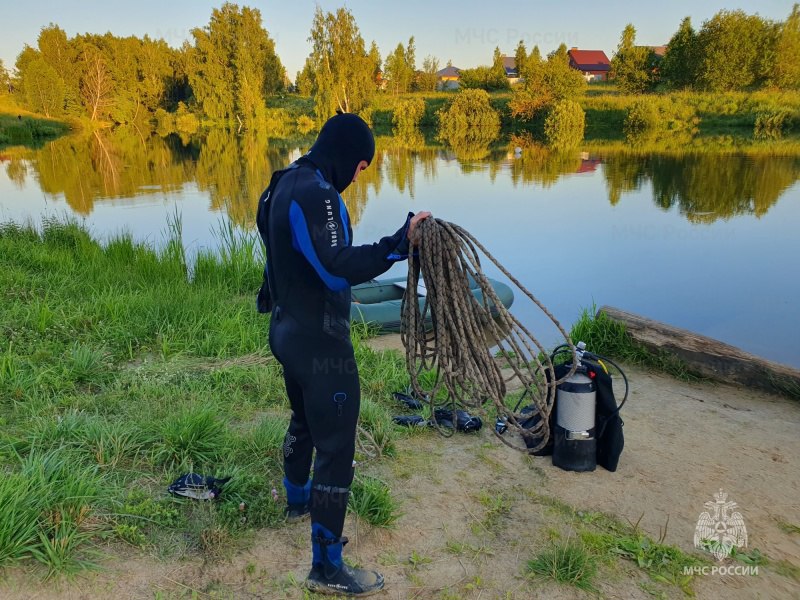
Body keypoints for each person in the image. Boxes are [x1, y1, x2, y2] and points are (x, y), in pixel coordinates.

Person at [256, 113, 430, 596]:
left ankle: (296, 501)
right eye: (361, 168)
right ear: (351, 159)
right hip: (321, 346)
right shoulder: (318, 193)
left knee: (304, 422)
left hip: (286, 333)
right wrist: (399, 243)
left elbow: (276, 251)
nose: (359, 179)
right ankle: (327, 568)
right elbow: (335, 270)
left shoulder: (279, 183)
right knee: (336, 451)